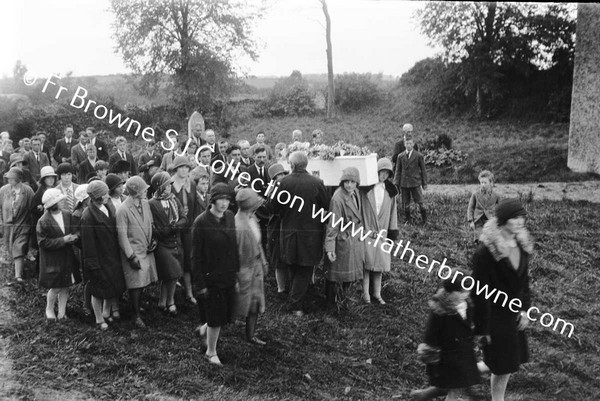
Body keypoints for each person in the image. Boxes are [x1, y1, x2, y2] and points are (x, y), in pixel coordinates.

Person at [472, 199, 532, 401]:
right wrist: (482, 328)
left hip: (513, 315)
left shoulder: (522, 247)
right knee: (502, 364)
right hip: (494, 317)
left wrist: (524, 310)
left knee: (501, 362)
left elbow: (524, 284)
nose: (520, 222)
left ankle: (456, 375)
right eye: (515, 218)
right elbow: (478, 292)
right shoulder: (486, 253)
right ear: (503, 220)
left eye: (522, 217)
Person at [273, 151, 330, 316]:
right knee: (304, 269)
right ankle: (296, 305)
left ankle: (295, 302)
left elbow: (274, 208)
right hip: (310, 235)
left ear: (291, 165)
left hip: (289, 233)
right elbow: (326, 206)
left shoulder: (283, 182)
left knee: (293, 265)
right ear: (306, 165)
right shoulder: (317, 183)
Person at [409, 269, 480, 401]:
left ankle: (423, 395)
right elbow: (431, 336)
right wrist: (432, 363)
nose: (466, 294)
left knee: (458, 385)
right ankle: (427, 395)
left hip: (464, 354)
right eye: (462, 291)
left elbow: (468, 326)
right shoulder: (440, 310)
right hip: (447, 358)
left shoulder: (467, 304)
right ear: (451, 291)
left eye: (468, 290)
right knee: (454, 387)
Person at [192, 183, 238, 366]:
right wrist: (200, 284)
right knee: (216, 316)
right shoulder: (201, 222)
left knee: (224, 314)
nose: (224, 203)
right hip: (211, 277)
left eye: (227, 200)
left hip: (227, 274)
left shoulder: (230, 217)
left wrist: (236, 273)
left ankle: (204, 330)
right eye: (221, 199)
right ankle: (211, 352)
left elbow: (233, 246)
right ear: (212, 200)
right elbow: (195, 257)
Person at [80, 181, 126, 330]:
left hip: (110, 255)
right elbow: (88, 244)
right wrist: (93, 265)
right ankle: (99, 319)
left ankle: (106, 313)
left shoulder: (106, 207)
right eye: (105, 193)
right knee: (97, 289)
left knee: (110, 285)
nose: (107, 196)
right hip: (99, 258)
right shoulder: (88, 216)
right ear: (97, 196)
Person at [116, 176, 158, 328]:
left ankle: (137, 308)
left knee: (142, 283)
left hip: (145, 249)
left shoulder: (145, 204)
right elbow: (122, 236)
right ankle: (135, 315)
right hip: (133, 252)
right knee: (135, 284)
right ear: (135, 192)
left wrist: (153, 240)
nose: (146, 191)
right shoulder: (123, 210)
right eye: (143, 190)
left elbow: (150, 223)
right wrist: (130, 256)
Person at [36, 188, 81, 320]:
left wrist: (75, 237)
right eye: (60, 200)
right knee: (55, 286)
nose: (63, 202)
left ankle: (62, 312)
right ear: (52, 204)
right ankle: (49, 309)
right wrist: (63, 240)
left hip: (66, 256)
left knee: (66, 284)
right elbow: (42, 242)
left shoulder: (67, 214)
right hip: (53, 259)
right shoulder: (43, 221)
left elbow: (75, 230)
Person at [324, 167, 365, 309]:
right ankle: (330, 304)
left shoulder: (356, 193)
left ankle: (344, 301)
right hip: (342, 240)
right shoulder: (338, 198)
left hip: (353, 239)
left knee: (348, 273)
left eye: (353, 182)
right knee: (334, 275)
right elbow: (332, 224)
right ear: (342, 182)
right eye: (346, 181)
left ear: (357, 183)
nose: (349, 185)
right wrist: (330, 247)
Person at [360, 158, 399, 304]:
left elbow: (393, 213)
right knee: (367, 265)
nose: (383, 175)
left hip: (382, 234)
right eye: (381, 172)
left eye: (387, 173)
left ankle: (377, 293)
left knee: (380, 265)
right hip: (367, 231)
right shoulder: (365, 189)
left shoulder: (391, 192)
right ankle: (366, 295)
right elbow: (359, 209)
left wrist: (391, 232)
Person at [234, 188, 268, 345]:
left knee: (254, 304)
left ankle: (250, 335)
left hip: (255, 269)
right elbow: (235, 255)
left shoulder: (252, 218)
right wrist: (236, 278)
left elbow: (257, 242)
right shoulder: (239, 227)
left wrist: (264, 261)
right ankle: (207, 331)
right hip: (244, 272)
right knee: (234, 306)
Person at [149, 172, 186, 315]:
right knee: (171, 273)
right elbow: (151, 225)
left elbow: (183, 218)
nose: (169, 188)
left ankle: (162, 301)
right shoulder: (152, 204)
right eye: (166, 186)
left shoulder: (174, 200)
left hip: (176, 241)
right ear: (159, 187)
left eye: (170, 185)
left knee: (173, 275)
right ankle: (170, 301)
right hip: (163, 244)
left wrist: (175, 226)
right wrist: (164, 231)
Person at [171, 155, 202, 305]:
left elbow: (195, 207)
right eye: (180, 167)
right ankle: (172, 296)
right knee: (176, 258)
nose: (184, 170)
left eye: (186, 167)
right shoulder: (170, 185)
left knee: (188, 260)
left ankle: (189, 292)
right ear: (175, 169)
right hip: (174, 228)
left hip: (188, 228)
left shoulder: (192, 185)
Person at [0, 168, 34, 281]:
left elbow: (33, 208)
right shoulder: (3, 190)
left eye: (12, 178)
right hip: (8, 226)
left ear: (18, 179)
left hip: (23, 223)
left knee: (19, 247)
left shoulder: (27, 191)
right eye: (8, 178)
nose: (9, 180)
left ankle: (18, 275)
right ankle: (15, 268)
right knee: (10, 248)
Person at [265, 163, 288, 297]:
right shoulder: (272, 190)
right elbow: (270, 208)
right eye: (278, 175)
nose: (281, 177)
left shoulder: (289, 187)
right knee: (278, 257)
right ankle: (281, 288)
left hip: (286, 225)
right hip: (276, 227)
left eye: (283, 174)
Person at [393, 134, 428, 224]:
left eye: (410, 143)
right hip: (404, 183)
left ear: (413, 144)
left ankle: (425, 220)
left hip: (415, 182)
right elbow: (398, 170)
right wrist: (396, 183)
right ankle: (408, 220)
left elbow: (423, 170)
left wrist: (424, 183)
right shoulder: (400, 156)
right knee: (406, 203)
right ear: (404, 144)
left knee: (421, 202)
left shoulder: (418, 156)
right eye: (407, 143)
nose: (408, 145)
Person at [30, 166, 57, 268]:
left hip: (53, 222)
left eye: (52, 177)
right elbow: (32, 209)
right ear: (43, 180)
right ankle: (39, 270)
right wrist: (41, 209)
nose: (51, 180)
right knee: (43, 248)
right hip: (43, 225)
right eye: (48, 178)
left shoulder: (54, 190)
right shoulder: (39, 194)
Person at [467, 170, 501, 242]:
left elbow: (500, 208)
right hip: (478, 220)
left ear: (491, 183)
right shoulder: (475, 194)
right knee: (479, 239)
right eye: (481, 183)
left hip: (490, 220)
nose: (482, 184)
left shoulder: (496, 195)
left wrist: (499, 220)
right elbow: (470, 208)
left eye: (485, 183)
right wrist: (471, 221)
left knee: (490, 240)